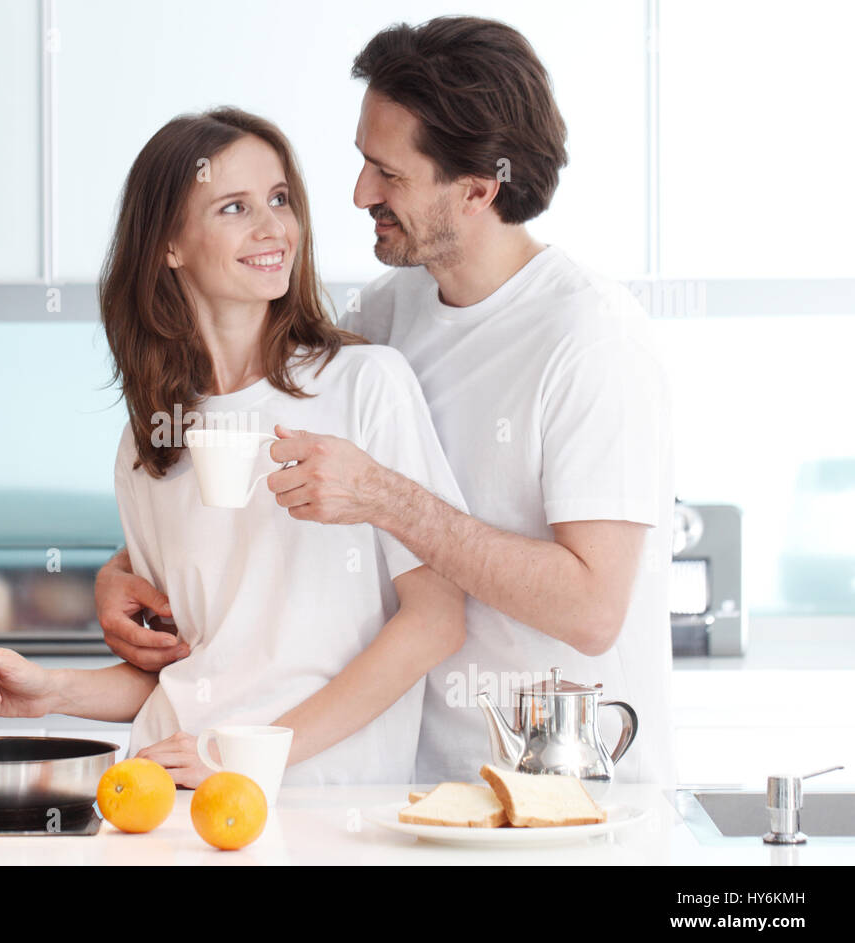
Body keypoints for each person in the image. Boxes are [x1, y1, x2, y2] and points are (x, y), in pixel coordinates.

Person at [97, 17, 675, 786]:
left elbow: (593, 610)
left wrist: (386, 498)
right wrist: (119, 570)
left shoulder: (591, 341)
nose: (360, 192)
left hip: (570, 790)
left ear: (475, 189)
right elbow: (249, 414)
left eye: (388, 174)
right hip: (425, 781)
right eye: (363, 162)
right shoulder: (392, 313)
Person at [0, 107, 467, 786]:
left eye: (280, 200)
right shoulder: (150, 444)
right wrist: (54, 692)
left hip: (322, 806)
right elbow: (194, 667)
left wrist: (247, 754)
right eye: (234, 207)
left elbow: (436, 621)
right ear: (169, 244)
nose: (272, 227)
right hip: (167, 794)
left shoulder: (366, 385)